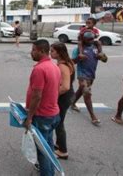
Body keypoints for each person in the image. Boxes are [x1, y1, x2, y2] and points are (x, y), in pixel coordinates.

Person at [24, 39, 61, 176]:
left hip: (42, 116)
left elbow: (37, 96)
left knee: (42, 153)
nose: (31, 52)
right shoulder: (54, 67)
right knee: (48, 148)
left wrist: (29, 117)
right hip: (53, 114)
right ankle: (50, 172)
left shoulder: (39, 69)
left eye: (33, 50)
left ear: (42, 51)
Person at [71, 31, 102, 126]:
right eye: (88, 39)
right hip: (82, 74)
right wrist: (79, 58)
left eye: (92, 39)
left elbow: (105, 59)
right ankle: (93, 117)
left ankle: (72, 103)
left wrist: (101, 55)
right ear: (83, 39)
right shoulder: (78, 49)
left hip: (91, 75)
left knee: (81, 90)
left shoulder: (96, 47)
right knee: (87, 93)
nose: (91, 41)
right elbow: (72, 62)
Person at [50, 42, 75, 159]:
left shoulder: (62, 66)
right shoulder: (66, 62)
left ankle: (63, 151)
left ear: (59, 53)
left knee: (58, 123)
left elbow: (65, 86)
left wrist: (52, 95)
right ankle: (59, 144)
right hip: (67, 96)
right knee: (59, 122)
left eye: (52, 51)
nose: (50, 53)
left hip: (64, 97)